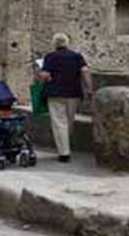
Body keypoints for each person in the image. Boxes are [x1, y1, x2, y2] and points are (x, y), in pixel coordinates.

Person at [38, 33, 93, 163]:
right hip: (73, 93)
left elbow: (45, 75)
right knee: (69, 121)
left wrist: (40, 74)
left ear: (55, 44)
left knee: (59, 123)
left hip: (55, 93)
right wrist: (89, 89)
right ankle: (65, 147)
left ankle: (64, 153)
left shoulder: (50, 57)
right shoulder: (77, 56)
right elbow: (85, 71)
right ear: (67, 43)